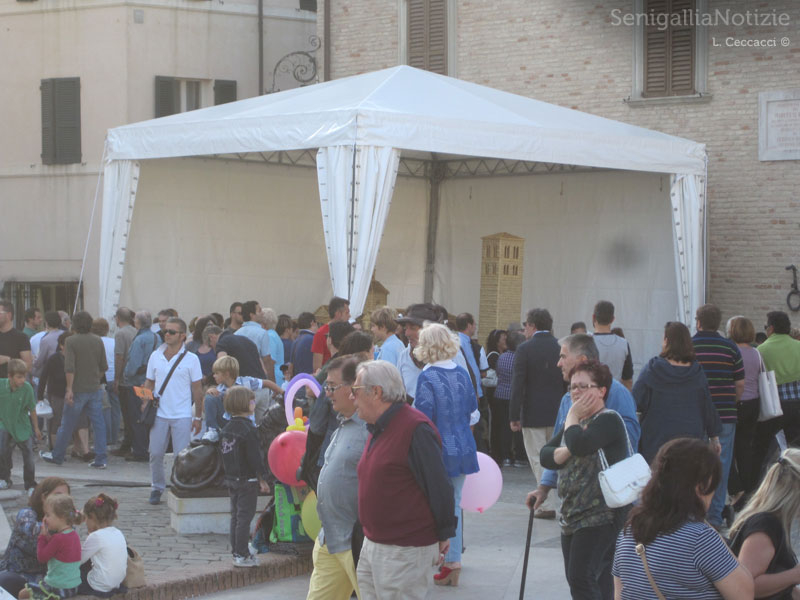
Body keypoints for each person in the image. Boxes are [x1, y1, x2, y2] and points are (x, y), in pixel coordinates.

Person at [353, 360, 456, 600]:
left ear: (376, 392)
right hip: (374, 544)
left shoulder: (415, 428)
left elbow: (439, 485)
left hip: (404, 551)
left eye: (356, 391)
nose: (352, 397)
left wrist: (444, 533)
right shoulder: (377, 426)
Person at [612, 438, 753, 600]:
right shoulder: (700, 538)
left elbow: (619, 595)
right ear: (701, 486)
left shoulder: (629, 532)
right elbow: (744, 593)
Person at [539, 360, 630, 599]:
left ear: (601, 391)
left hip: (600, 515)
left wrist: (571, 415)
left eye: (582, 386)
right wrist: (567, 448)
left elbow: (580, 444)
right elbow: (546, 455)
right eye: (571, 387)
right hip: (572, 513)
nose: (575, 392)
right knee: (585, 579)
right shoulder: (576, 425)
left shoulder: (608, 420)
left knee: (581, 578)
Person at [530, 334, 640, 522]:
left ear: (581, 361)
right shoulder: (568, 399)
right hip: (573, 508)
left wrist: (579, 442)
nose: (558, 363)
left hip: (604, 510)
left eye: (563, 356)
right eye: (574, 387)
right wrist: (544, 488)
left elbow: (626, 444)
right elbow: (555, 447)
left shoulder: (617, 394)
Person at [412, 323, 478, 587]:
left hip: (439, 449)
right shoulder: (462, 373)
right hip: (464, 445)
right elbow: (473, 410)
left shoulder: (427, 376)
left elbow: (423, 418)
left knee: (433, 505)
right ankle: (452, 561)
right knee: (455, 504)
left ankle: (446, 561)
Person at [306, 356, 368, 600]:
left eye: (332, 386)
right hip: (330, 537)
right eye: (326, 386)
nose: (327, 393)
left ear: (354, 387)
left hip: (356, 540)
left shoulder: (370, 429)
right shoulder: (344, 424)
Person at [633, 321, 721, 464]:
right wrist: (715, 438)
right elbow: (708, 408)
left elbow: (636, 402)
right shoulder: (697, 373)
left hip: (656, 442)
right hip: (690, 442)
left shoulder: (652, 369)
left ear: (666, 341)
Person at [692, 303, 744, 529]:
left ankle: (693, 517)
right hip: (724, 415)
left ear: (698, 322)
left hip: (695, 416)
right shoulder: (731, 348)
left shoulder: (690, 347)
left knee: (693, 465)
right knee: (720, 466)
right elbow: (739, 384)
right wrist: (730, 403)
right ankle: (713, 518)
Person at [142, 317, 203, 505]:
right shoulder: (155, 355)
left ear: (182, 336)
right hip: (159, 413)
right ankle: (157, 487)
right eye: (165, 331)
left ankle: (179, 485)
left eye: (171, 332)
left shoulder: (192, 359)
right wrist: (145, 401)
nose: (166, 334)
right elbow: (149, 382)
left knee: (181, 456)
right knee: (155, 452)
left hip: (182, 414)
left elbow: (197, 390)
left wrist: (198, 416)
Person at [510, 308, 564, 519]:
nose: (524, 331)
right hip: (558, 412)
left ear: (532, 325)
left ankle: (546, 503)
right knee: (558, 458)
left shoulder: (525, 349)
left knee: (538, 457)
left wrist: (514, 415)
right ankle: (561, 500)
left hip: (533, 413)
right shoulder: (560, 346)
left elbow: (518, 385)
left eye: (525, 326)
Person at [729, 448, 800, 600]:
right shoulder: (765, 526)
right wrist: (794, 575)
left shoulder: (772, 522)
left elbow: (782, 588)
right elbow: (745, 586)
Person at [41, 311, 108, 469]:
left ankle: (58, 455)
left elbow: (69, 368)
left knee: (67, 423)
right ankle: (101, 458)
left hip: (77, 389)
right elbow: (104, 366)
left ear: (75, 324)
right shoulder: (98, 340)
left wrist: (69, 388)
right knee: (98, 423)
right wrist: (95, 379)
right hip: (94, 388)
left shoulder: (71, 341)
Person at [220, 386, 270, 568]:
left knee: (235, 516)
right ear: (245, 403)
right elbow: (255, 457)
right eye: (252, 400)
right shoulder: (249, 430)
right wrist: (262, 478)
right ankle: (242, 553)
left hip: (232, 478)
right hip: (247, 480)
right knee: (244, 517)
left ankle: (236, 550)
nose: (254, 403)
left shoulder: (226, 428)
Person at [0, 477, 70, 597]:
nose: (62, 501)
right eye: (58, 495)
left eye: (65, 497)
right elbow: (34, 532)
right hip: (16, 574)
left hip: (43, 579)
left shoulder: (65, 525)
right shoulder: (27, 514)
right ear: (44, 497)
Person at [726, 316, 767, 500]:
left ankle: (736, 488)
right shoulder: (756, 353)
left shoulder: (731, 352)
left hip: (736, 402)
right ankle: (748, 487)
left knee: (728, 448)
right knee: (745, 448)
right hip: (754, 404)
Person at [19, 493, 83, 600]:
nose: (45, 519)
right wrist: (49, 537)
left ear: (61, 517)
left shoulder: (58, 538)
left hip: (58, 587)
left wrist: (42, 537)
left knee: (23, 594)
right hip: (73, 586)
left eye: (48, 515)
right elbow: (59, 550)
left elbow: (42, 557)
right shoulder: (73, 535)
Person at [204, 356, 281, 432]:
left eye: (216, 373)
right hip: (230, 423)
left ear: (227, 374)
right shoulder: (220, 389)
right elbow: (208, 407)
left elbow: (267, 383)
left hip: (246, 424)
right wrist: (210, 392)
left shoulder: (245, 382)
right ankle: (212, 430)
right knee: (209, 398)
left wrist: (282, 393)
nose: (214, 376)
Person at [758, 310, 800, 447]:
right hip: (798, 402)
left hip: (775, 404)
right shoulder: (798, 346)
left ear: (771, 329)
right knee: (796, 444)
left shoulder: (761, 350)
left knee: (772, 444)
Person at [0, 359, 42, 492]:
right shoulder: (1, 385)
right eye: (19, 377)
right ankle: (4, 479)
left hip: (22, 427)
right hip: (5, 424)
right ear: (9, 376)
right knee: (3, 453)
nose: (22, 380)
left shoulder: (27, 388)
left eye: (24, 376)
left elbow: (32, 409)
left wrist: (36, 428)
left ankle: (30, 484)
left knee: (28, 456)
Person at [78, 493, 127, 596]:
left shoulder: (95, 536)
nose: (85, 522)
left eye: (86, 518)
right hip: (117, 583)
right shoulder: (118, 532)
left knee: (74, 573)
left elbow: (79, 560)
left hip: (99, 585)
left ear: (92, 517)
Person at [492, 331, 526, 467]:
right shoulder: (520, 358)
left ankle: (505, 456)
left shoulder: (502, 357)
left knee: (504, 427)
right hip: (514, 396)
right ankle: (519, 456)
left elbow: (498, 373)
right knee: (517, 426)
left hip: (500, 394)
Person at [111, 307, 137, 457]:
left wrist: (116, 378)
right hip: (136, 379)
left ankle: (128, 444)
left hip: (125, 380)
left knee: (127, 413)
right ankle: (133, 442)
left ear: (117, 318)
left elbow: (119, 356)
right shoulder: (135, 331)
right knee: (133, 413)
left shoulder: (120, 334)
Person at [38, 332, 71, 450]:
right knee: (56, 421)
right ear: (61, 345)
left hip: (72, 394)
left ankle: (65, 446)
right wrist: (40, 396)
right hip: (57, 394)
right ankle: (55, 448)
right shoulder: (54, 358)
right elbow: (43, 376)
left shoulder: (77, 357)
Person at [591, 301, 633, 390]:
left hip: (591, 396)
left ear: (594, 317)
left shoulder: (585, 343)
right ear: (612, 319)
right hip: (615, 394)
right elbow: (628, 379)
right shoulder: (624, 344)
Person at [91, 318, 120, 448]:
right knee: (115, 408)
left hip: (100, 378)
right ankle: (114, 436)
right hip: (114, 377)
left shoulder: (94, 342)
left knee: (103, 409)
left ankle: (105, 436)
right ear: (107, 329)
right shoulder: (113, 342)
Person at [312, 297, 351, 373]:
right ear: (338, 314)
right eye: (347, 313)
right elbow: (317, 366)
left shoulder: (349, 331)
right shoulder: (321, 333)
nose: (349, 315)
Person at [235, 301, 273, 380]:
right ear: (252, 315)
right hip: (259, 378)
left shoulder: (236, 334)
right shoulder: (262, 333)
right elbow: (266, 360)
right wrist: (272, 381)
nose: (262, 313)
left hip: (241, 378)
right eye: (259, 311)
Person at [0, 300, 33, 378]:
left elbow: (28, 366)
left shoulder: (21, 337)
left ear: (9, 315)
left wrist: (8, 360)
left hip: (11, 386)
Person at [262, 308, 285, 386]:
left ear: (264, 323)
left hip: (274, 377)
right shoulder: (273, 334)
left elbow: (270, 361)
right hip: (278, 374)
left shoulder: (269, 336)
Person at [291, 312, 318, 376]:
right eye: (317, 323)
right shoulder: (313, 339)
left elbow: (291, 365)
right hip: (310, 379)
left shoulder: (295, 341)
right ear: (312, 322)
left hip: (298, 379)